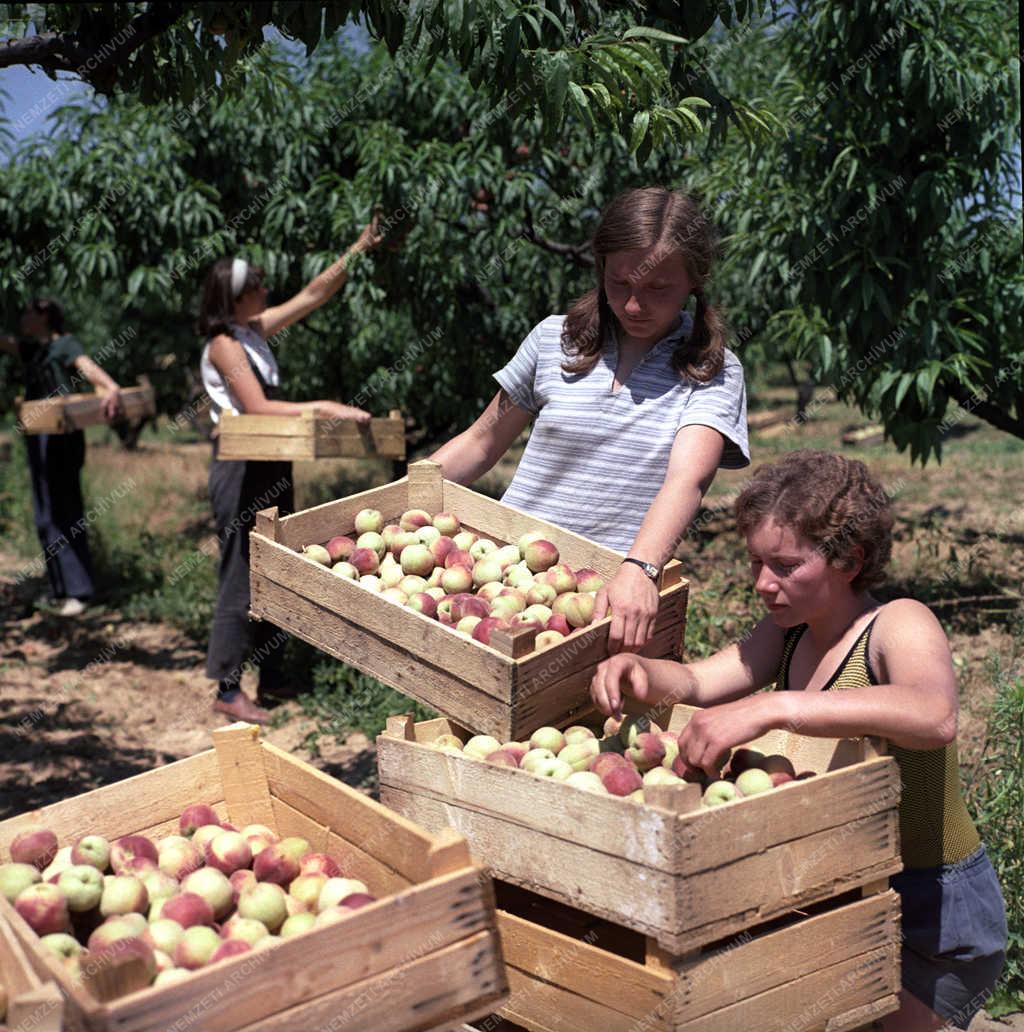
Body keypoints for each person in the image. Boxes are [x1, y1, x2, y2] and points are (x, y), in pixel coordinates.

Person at [589, 450, 1008, 1032]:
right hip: (847, 888)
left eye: (785, 566)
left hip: (933, 909)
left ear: (849, 559)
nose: (763, 583)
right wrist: (640, 671)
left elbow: (934, 714)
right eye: (756, 562)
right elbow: (699, 681)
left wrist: (774, 707)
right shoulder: (787, 632)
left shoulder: (897, 625)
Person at [431, 187, 750, 653]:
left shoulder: (711, 368)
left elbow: (688, 479)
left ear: (694, 282)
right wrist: (409, 493)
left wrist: (640, 570)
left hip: (606, 595)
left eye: (659, 288)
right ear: (601, 270)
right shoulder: (554, 341)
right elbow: (481, 441)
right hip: (503, 575)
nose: (635, 305)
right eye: (620, 284)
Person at [199, 217, 385, 723]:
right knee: (241, 571)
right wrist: (324, 407)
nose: (266, 289)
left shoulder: (252, 331)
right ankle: (228, 686)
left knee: (276, 568)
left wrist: (358, 247)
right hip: (241, 466)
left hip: (270, 459)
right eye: (256, 285)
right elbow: (256, 408)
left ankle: (275, 675)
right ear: (234, 297)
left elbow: (312, 294)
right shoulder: (224, 343)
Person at [1, 299, 124, 617]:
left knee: (65, 511)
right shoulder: (34, 350)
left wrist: (110, 386)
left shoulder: (64, 344)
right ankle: (59, 587)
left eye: (28, 311)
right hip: (37, 435)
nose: (22, 317)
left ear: (43, 316)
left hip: (61, 435)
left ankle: (79, 591)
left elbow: (86, 365)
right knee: (45, 515)